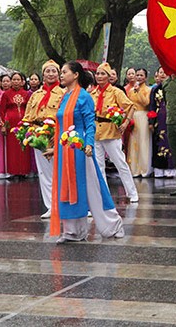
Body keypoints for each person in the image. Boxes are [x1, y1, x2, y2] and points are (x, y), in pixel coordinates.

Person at [49, 61, 124, 243]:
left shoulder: (84, 97)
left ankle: (113, 224)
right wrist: (54, 147)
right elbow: (61, 124)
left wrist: (89, 144)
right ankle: (73, 231)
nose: (61, 75)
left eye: (64, 72)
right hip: (64, 147)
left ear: (75, 75)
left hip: (81, 147)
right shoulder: (64, 97)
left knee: (92, 187)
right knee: (66, 186)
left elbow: (90, 123)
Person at [22, 60, 66, 218]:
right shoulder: (35, 95)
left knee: (59, 171)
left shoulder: (63, 93)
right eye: (47, 71)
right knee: (44, 172)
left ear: (59, 74)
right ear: (43, 74)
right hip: (38, 134)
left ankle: (63, 204)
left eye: (54, 71)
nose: (51, 74)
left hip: (56, 134)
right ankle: (50, 206)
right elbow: (27, 115)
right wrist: (26, 132)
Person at [90, 63, 138, 202]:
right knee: (98, 166)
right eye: (97, 73)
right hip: (96, 131)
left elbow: (130, 106)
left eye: (103, 74)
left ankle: (132, 192)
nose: (99, 76)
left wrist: (125, 122)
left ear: (109, 76)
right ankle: (104, 194)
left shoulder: (116, 92)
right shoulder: (92, 93)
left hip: (111, 132)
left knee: (120, 163)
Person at [0, 72, 32, 177]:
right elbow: (2, 111)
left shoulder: (27, 94)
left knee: (24, 145)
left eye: (18, 80)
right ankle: (13, 172)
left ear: (22, 82)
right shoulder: (6, 94)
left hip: (24, 123)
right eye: (14, 79)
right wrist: (3, 125)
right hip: (11, 124)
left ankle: (24, 171)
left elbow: (29, 109)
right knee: (12, 148)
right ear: (11, 81)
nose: (16, 81)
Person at [149, 66, 175, 177]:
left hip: (173, 118)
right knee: (158, 143)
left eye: (165, 72)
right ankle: (159, 170)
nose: (163, 74)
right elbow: (152, 106)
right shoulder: (155, 89)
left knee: (172, 143)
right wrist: (151, 121)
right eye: (161, 72)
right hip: (159, 120)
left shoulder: (174, 87)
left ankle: (172, 169)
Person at [127, 68, 152, 177]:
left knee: (143, 141)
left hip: (143, 116)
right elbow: (129, 103)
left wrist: (139, 92)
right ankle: (134, 169)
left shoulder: (148, 90)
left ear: (145, 77)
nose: (139, 77)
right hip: (133, 116)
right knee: (133, 142)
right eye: (137, 75)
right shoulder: (131, 90)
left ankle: (144, 169)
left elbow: (146, 103)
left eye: (141, 75)